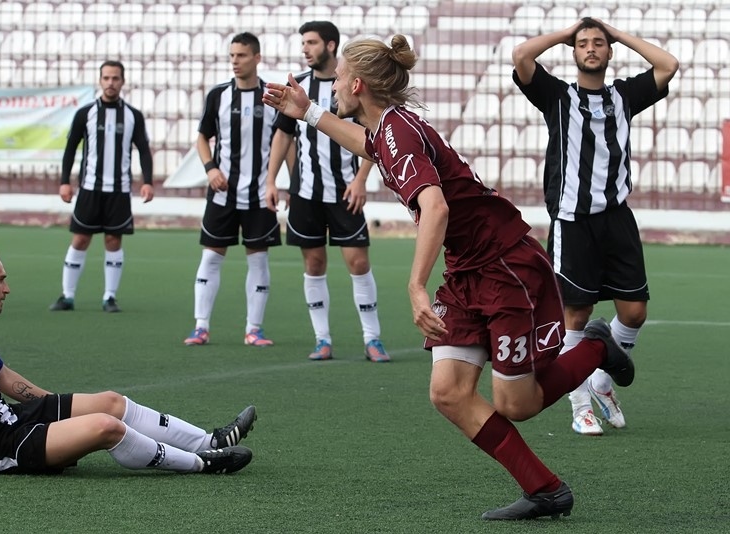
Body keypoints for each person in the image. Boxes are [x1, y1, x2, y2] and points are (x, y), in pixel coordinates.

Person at [262, 35, 636, 520]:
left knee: (516, 402)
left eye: (336, 81)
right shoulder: (387, 128)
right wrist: (308, 110)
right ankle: (545, 490)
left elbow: (434, 207)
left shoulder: (396, 132)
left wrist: (416, 285)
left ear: (357, 84)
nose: (331, 86)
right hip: (468, 268)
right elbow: (366, 143)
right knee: (449, 393)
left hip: (504, 266)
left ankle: (596, 346)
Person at [0, 247, 255, 485]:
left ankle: (210, 441)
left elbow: (1, 375)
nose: (7, 288)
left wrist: (53, 405)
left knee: (110, 402)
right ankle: (202, 463)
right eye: (0, 280)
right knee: (105, 426)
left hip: (11, 419)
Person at [512, 18, 678, 435]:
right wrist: (566, 33)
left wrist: (618, 33)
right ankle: (579, 404)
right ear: (573, 51)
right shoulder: (557, 96)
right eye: (583, 43)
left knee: (635, 312)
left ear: (608, 52)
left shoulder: (623, 95)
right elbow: (521, 56)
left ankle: (603, 382)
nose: (590, 48)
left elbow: (668, 65)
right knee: (577, 313)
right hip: (572, 220)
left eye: (598, 43)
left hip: (617, 218)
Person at [265, 21, 390, 362]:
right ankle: (322, 340)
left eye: (312, 42)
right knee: (314, 262)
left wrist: (362, 178)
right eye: (303, 42)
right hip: (306, 193)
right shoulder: (299, 87)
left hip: (345, 190)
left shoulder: (351, 87)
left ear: (331, 46)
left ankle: (372, 339)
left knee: (358, 262)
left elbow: (373, 135)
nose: (305, 48)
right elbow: (283, 135)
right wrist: (271, 180)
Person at [183, 33, 281, 348]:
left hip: (258, 195)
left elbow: (285, 142)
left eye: (241, 55)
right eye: (232, 56)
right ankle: (200, 327)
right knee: (211, 258)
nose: (235, 61)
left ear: (257, 58)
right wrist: (210, 168)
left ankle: (254, 329)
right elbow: (202, 137)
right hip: (223, 193)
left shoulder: (272, 97)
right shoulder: (219, 96)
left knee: (258, 260)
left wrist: (281, 182)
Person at [49, 60, 155, 314]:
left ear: (122, 81)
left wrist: (148, 181)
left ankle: (109, 297)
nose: (110, 83)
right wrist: (65, 181)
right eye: (106, 78)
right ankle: (67, 295)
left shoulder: (133, 115)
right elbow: (70, 148)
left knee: (113, 240)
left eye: (115, 78)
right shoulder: (85, 113)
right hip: (89, 188)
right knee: (81, 239)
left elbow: (143, 150)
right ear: (100, 81)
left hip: (119, 190)